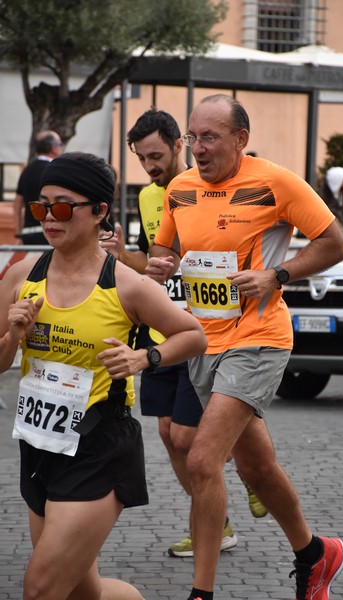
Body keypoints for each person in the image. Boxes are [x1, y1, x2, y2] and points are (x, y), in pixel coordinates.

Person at [146, 94, 343, 600]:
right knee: (257, 467)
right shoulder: (179, 188)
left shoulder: (274, 182)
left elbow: (335, 242)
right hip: (201, 341)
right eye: (193, 137)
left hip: (259, 339)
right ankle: (314, 553)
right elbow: (164, 249)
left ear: (241, 140)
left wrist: (276, 275)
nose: (198, 148)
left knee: (200, 459)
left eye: (210, 138)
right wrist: (160, 264)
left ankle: (202, 593)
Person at [0, 151, 207, 600]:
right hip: (39, 443)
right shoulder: (20, 276)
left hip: (99, 445)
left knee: (40, 589)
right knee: (81, 592)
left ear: (99, 212)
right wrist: (13, 338)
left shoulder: (128, 285)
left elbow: (193, 335)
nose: (48, 218)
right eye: (41, 207)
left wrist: (143, 359)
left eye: (62, 206)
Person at [101, 108, 266, 558]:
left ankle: (253, 476)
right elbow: (152, 268)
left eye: (156, 155)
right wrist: (122, 257)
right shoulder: (151, 199)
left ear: (180, 144)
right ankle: (216, 519)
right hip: (161, 332)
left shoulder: (211, 188)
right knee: (169, 436)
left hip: (209, 333)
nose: (150, 167)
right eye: (141, 159)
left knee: (190, 439)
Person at [14, 130, 64, 245]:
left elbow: (17, 205)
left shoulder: (27, 170)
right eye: (60, 145)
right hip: (50, 231)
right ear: (54, 148)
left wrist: (18, 234)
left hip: (27, 234)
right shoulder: (55, 170)